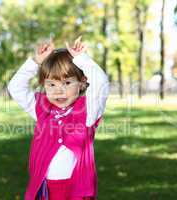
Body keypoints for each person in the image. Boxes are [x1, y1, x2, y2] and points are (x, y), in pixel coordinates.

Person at [7, 36, 110, 200]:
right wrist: (36, 61)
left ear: (82, 83)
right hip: (45, 189)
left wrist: (81, 58)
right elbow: (15, 87)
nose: (58, 91)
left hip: (75, 191)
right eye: (51, 84)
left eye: (67, 83)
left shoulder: (88, 111)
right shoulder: (42, 109)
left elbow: (101, 83)